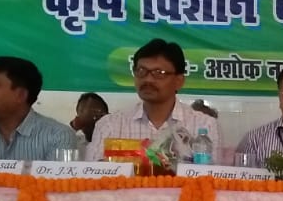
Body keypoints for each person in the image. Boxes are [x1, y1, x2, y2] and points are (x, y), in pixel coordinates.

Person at [86, 38, 221, 161]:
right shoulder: (110, 125)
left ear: (179, 81)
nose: (148, 79)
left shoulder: (205, 125)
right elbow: (90, 175)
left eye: (158, 73)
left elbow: (213, 176)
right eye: (141, 71)